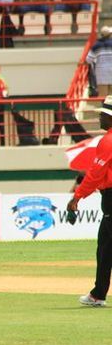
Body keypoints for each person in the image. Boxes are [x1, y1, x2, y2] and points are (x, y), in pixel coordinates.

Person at [69, 95, 112, 307]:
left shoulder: (108, 141)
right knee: (105, 247)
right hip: (108, 199)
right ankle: (98, 294)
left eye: (103, 115)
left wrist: (77, 197)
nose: (100, 119)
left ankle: (98, 294)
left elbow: (95, 174)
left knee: (106, 247)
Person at [86, 26, 112, 97]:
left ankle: (105, 107)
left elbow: (88, 60)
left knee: (103, 95)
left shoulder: (96, 45)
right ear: (110, 34)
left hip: (101, 73)